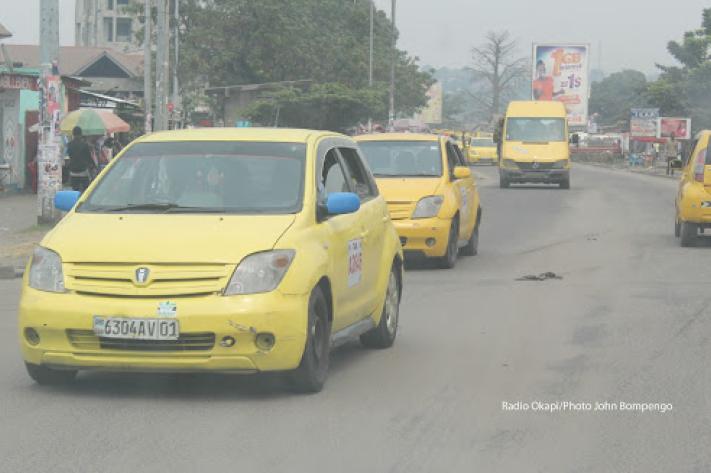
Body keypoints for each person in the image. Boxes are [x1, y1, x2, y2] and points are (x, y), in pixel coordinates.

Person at [66, 126, 96, 192]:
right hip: (83, 172)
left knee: (75, 191)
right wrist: (93, 166)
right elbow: (89, 158)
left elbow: (69, 156)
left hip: (73, 172)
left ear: (73, 134)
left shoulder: (69, 145)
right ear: (81, 134)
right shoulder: (85, 145)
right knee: (86, 191)